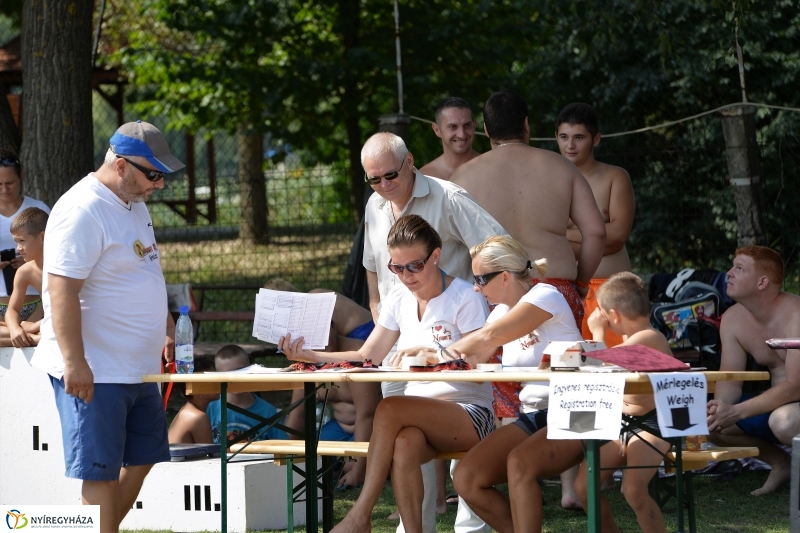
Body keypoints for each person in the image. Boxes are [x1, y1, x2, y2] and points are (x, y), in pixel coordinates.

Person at [280, 215, 496, 533]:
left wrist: (430, 358)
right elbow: (368, 356)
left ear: (436, 256)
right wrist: (312, 356)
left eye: (414, 266)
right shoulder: (397, 297)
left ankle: (359, 515)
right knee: (405, 442)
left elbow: (478, 368)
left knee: (391, 407)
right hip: (418, 418)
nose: (405, 276)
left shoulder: (466, 297)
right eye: (397, 267)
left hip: (470, 414)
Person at [30, 120, 183, 533]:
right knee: (99, 472)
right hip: (96, 369)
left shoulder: (134, 201)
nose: (160, 184)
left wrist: (165, 324)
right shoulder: (82, 208)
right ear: (120, 165)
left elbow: (147, 269)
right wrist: (74, 362)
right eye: (153, 174)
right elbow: (60, 291)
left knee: (146, 455)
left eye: (162, 174)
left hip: (138, 367)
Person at [361, 132, 505, 531]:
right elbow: (374, 267)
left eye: (390, 175)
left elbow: (497, 248)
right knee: (404, 442)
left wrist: (479, 296)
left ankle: (365, 514)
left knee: (404, 421)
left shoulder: (448, 196)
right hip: (400, 339)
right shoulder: (375, 206)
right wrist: (379, 312)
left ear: (410, 161)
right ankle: (413, 528)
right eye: (373, 179)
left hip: (455, 333)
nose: (383, 186)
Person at [422, 235, 582, 533]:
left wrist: (441, 354)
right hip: (539, 416)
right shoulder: (500, 312)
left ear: (505, 276)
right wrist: (423, 355)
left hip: (577, 412)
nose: (475, 287)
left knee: (519, 463)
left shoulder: (544, 295)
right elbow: (474, 355)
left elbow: (486, 339)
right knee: (468, 477)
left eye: (481, 279)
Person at [450, 90, 606, 331]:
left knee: (501, 369)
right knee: (559, 366)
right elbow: (596, 233)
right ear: (526, 124)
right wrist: (582, 283)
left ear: (487, 129)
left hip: (493, 292)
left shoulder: (462, 177)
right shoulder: (562, 167)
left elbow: (450, 245)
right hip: (556, 287)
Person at [571, 272, 674, 533]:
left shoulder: (651, 338)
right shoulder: (631, 338)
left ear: (613, 315)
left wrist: (596, 332)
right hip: (622, 425)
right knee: (584, 487)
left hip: (652, 424)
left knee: (633, 490)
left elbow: (601, 364)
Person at [268, 279, 382, 488]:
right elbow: (297, 416)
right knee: (316, 457)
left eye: (324, 331)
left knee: (346, 464)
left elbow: (368, 414)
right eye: (312, 337)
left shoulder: (356, 352)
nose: (322, 341)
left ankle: (363, 464)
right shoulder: (306, 362)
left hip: (370, 430)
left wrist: (358, 468)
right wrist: (294, 459)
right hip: (338, 428)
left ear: (334, 324)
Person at [706, 246, 800, 496]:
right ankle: (781, 463)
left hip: (793, 406)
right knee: (710, 424)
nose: (729, 273)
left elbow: (795, 386)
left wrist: (737, 411)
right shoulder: (732, 318)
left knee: (784, 422)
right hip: (776, 405)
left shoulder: (796, 315)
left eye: (739, 268)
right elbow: (730, 377)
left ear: (762, 282)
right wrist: (721, 409)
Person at [556, 103, 635, 347]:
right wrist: (595, 235)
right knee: (570, 372)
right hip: (563, 291)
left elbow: (618, 235)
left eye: (579, 137)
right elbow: (603, 239)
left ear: (596, 139)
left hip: (611, 291)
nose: (570, 145)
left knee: (619, 374)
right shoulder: (548, 181)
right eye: (564, 137)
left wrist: (565, 237)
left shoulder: (615, 177)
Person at [0, 150, 50, 317]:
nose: (4, 190)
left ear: (21, 176)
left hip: (38, 299)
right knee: (20, 333)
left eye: (10, 182)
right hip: (2, 301)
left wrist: (33, 259)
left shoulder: (39, 209)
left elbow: (57, 251)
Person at [207, 344, 288, 445]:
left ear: (250, 369)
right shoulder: (210, 409)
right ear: (217, 376)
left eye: (240, 371)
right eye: (228, 374)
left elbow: (282, 449)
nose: (234, 378)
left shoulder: (267, 411)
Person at [5, 207, 48, 348]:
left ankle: (41, 337)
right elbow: (12, 310)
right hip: (46, 328)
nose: (18, 248)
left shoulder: (66, 266)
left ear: (42, 237)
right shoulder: (25, 271)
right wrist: (14, 329)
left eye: (22, 241)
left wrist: (36, 324)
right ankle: (37, 338)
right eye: (16, 242)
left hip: (65, 325)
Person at [418, 97, 481, 181]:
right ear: (437, 130)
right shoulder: (425, 177)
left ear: (474, 125)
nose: (461, 135)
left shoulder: (490, 168)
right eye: (453, 127)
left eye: (467, 125)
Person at [168, 358, 216, 444]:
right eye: (213, 381)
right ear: (197, 391)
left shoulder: (187, 410)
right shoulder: (197, 417)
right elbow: (211, 455)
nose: (218, 382)